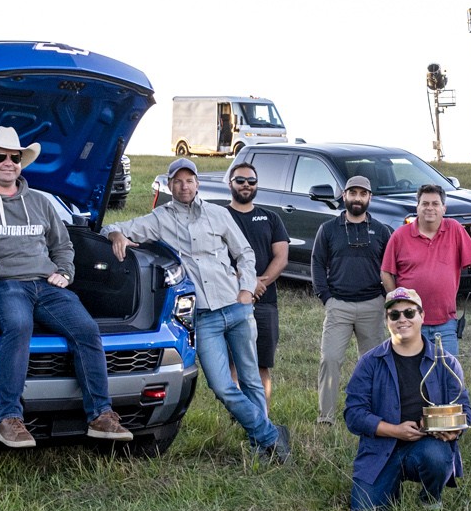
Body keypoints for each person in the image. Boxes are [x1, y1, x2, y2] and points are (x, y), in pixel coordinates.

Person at [0, 125, 130, 449]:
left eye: (15, 158)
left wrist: (65, 271)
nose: (9, 163)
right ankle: (9, 420)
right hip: (7, 286)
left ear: (21, 163)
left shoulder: (41, 202)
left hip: (48, 286)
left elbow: (63, 245)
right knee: (19, 326)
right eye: (0, 156)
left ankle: (101, 415)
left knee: (87, 329)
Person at [106, 158, 290, 461]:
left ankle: (263, 446)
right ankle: (271, 434)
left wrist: (246, 291)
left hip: (236, 308)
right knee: (221, 385)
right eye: (177, 181)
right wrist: (116, 235)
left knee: (251, 379)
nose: (184, 186)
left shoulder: (218, 214)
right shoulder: (159, 219)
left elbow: (243, 253)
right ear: (169, 185)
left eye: (189, 180)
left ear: (197, 183)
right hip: (203, 317)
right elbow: (114, 226)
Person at [343, 287, 471, 511]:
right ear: (387, 321)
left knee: (436, 455)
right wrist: (394, 430)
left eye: (409, 313)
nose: (402, 319)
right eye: (394, 315)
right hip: (381, 450)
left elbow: (465, 411)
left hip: (427, 445)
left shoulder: (446, 363)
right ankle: (390, 486)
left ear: (422, 317)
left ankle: (430, 497)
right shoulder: (370, 362)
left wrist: (454, 431)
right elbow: (353, 415)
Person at [311, 175, 395, 425]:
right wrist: (325, 296)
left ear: (370, 198)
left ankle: (372, 413)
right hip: (339, 305)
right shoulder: (328, 229)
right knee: (330, 359)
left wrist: (384, 296)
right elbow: (317, 263)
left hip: (372, 305)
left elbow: (390, 266)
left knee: (374, 364)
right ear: (344, 195)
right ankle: (326, 417)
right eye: (353, 193)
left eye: (363, 194)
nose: (357, 198)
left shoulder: (381, 231)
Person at [379, 182, 471, 359]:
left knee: (447, 374)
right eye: (425, 203)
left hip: (445, 322)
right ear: (417, 207)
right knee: (411, 374)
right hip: (410, 321)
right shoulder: (400, 236)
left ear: (443, 208)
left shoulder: (454, 230)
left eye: (435, 204)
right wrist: (397, 303)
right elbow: (386, 272)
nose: (430, 208)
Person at [223, 160, 289, 395]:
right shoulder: (220, 216)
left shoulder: (270, 217)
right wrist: (246, 284)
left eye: (251, 181)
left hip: (265, 302)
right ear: (230, 183)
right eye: (240, 180)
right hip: (230, 301)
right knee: (233, 364)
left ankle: (263, 418)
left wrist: (259, 284)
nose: (246, 185)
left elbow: (281, 257)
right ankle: (239, 417)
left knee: (262, 365)